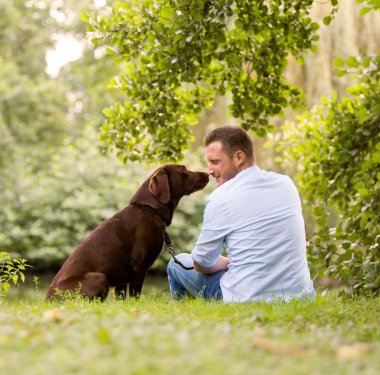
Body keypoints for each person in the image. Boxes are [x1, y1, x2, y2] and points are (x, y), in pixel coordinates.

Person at [167, 125, 316, 302]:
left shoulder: (220, 198)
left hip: (247, 298)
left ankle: (184, 318)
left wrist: (227, 262)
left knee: (178, 263)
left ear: (239, 157)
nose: (210, 170)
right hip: (300, 296)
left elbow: (200, 263)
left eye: (215, 162)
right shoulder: (286, 184)